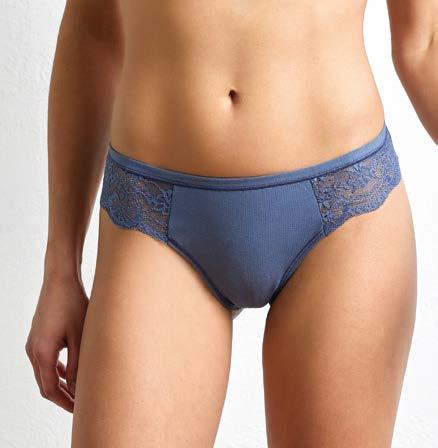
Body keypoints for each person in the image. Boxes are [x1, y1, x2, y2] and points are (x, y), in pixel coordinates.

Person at [25, 0, 436, 447]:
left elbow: (425, 44)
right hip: (154, 216)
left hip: (345, 211)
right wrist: (60, 268)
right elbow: (94, 30)